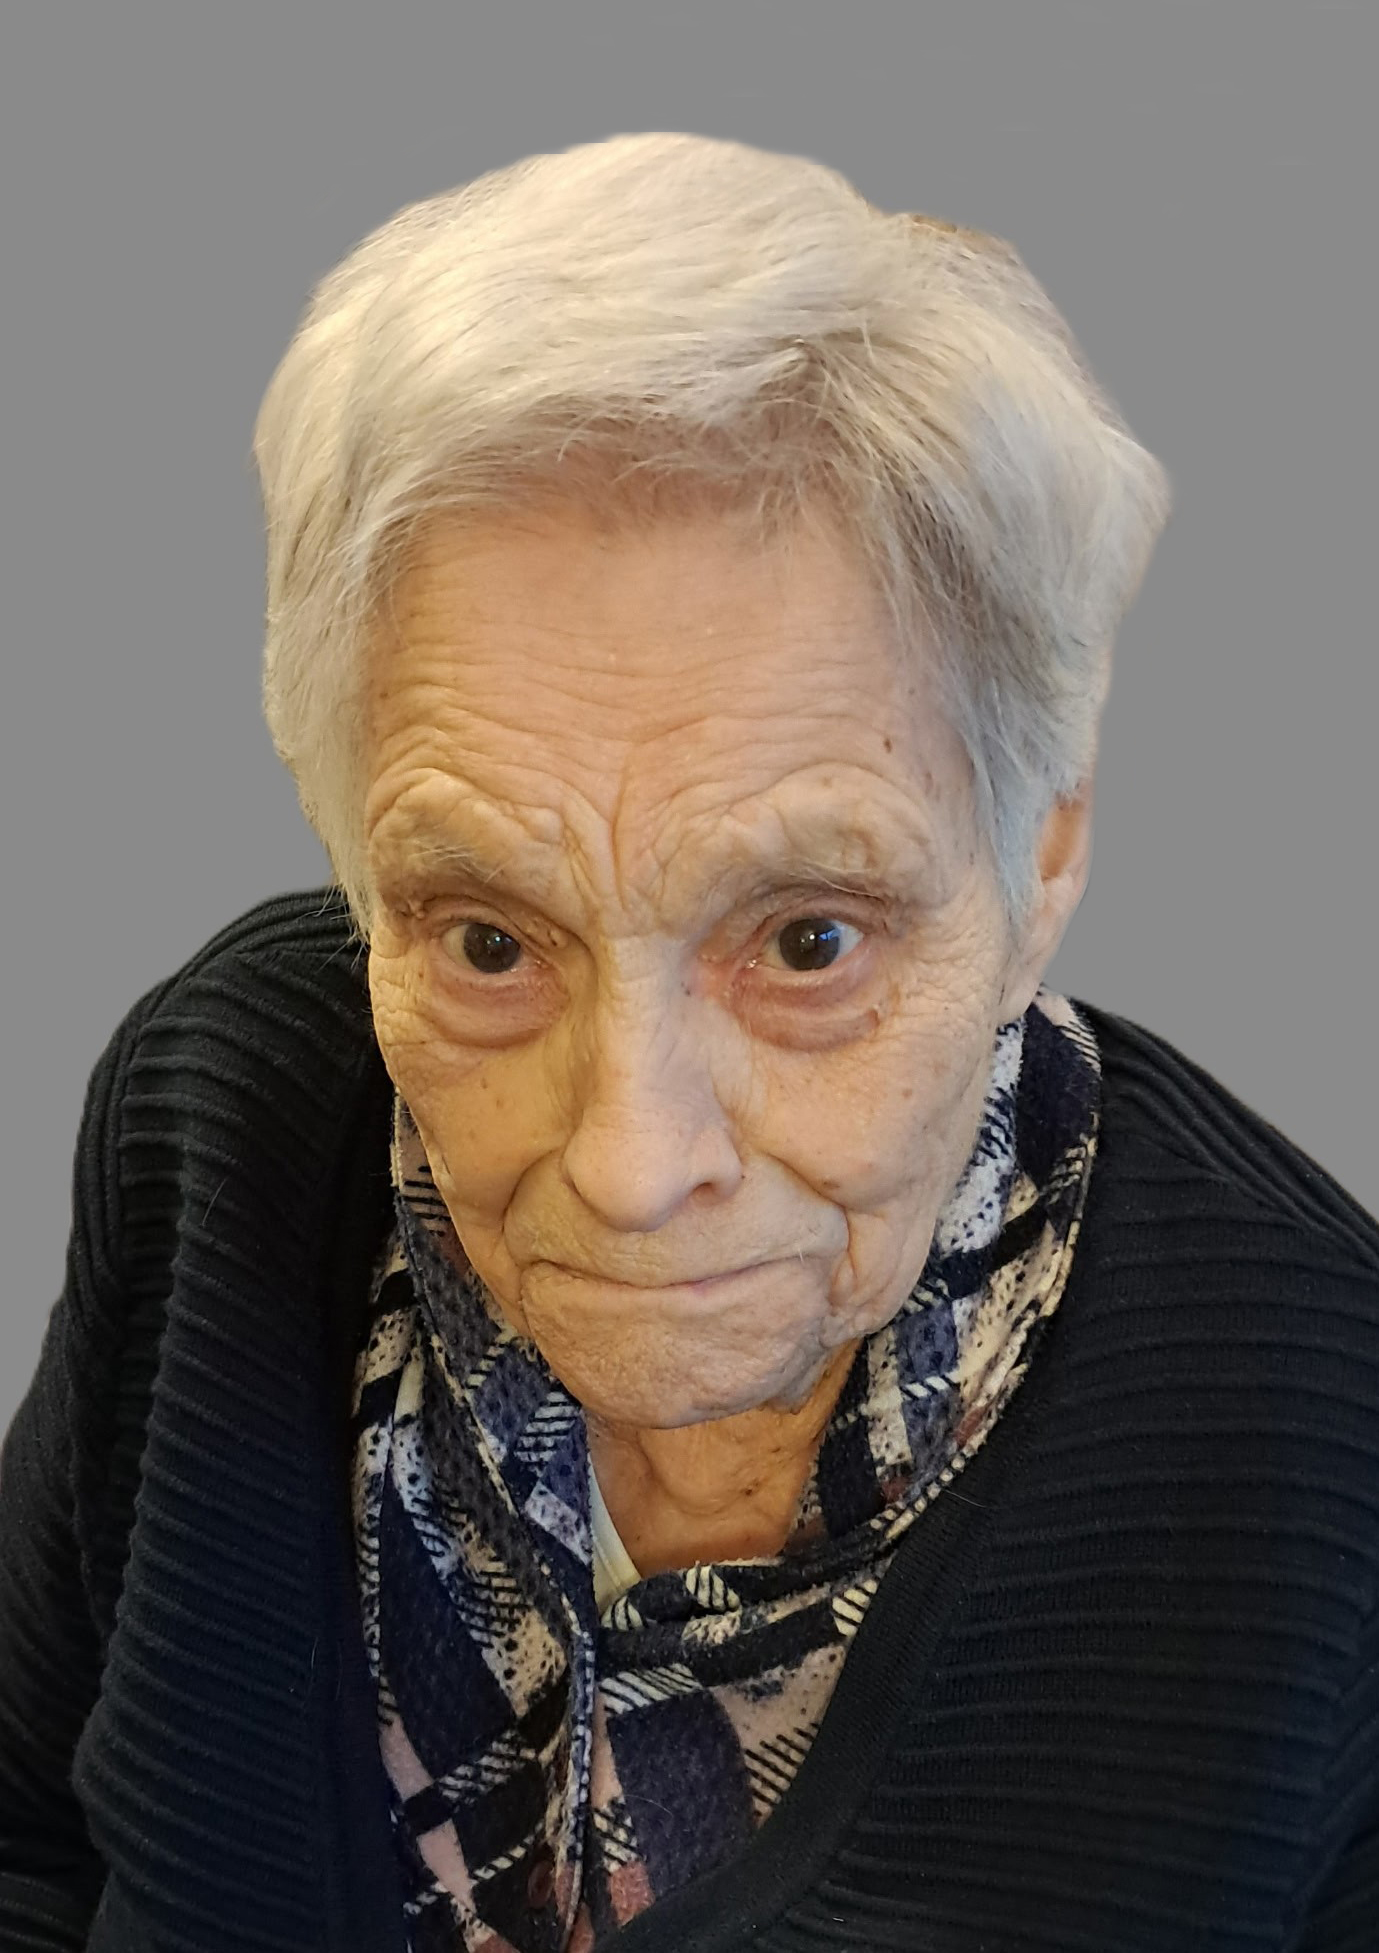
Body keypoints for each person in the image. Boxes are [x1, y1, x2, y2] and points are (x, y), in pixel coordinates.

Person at [2, 131, 1376, 1953]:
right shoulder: (219, 1118)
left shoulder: (1328, 1442)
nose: (633, 1165)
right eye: (490, 942)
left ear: (1041, 858)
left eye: (807, 941)